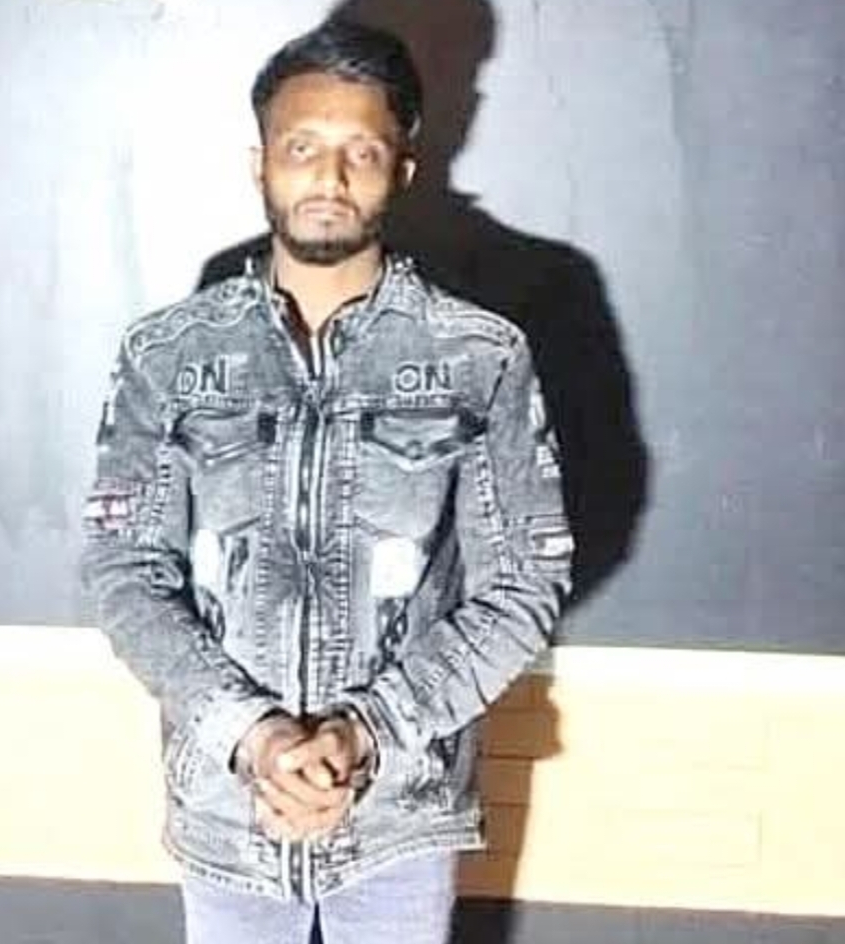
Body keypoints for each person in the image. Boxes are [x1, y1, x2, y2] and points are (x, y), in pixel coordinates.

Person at [81, 19, 572, 944]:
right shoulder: (168, 355)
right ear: (260, 162)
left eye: (363, 152)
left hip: (401, 812)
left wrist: (367, 732)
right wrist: (254, 735)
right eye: (303, 147)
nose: (330, 178)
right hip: (228, 808)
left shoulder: (480, 356)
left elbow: (522, 586)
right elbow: (124, 575)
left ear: (403, 170)